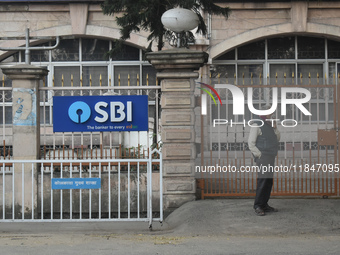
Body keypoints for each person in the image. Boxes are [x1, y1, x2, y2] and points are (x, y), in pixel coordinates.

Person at [248, 109, 280, 216]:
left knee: (268, 181)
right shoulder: (256, 124)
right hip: (263, 157)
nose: (271, 115)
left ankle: (264, 204)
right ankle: (258, 206)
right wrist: (259, 155)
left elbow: (277, 139)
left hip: (270, 156)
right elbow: (251, 143)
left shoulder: (269, 124)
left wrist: (275, 128)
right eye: (269, 112)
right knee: (263, 181)